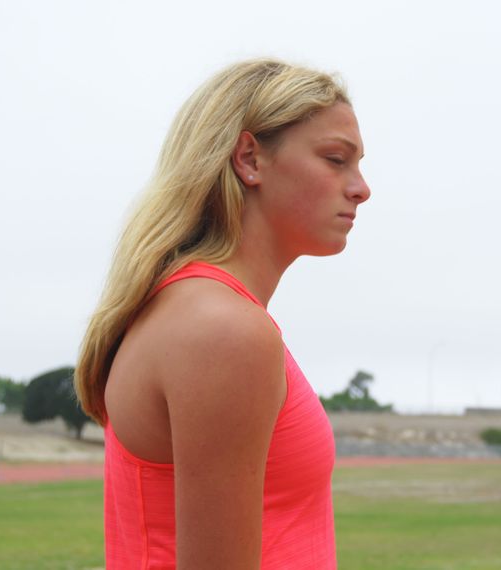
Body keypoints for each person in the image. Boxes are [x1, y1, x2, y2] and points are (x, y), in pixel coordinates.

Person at [74, 58, 370, 569]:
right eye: (335, 159)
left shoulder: (195, 311)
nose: (361, 187)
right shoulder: (222, 330)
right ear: (249, 159)